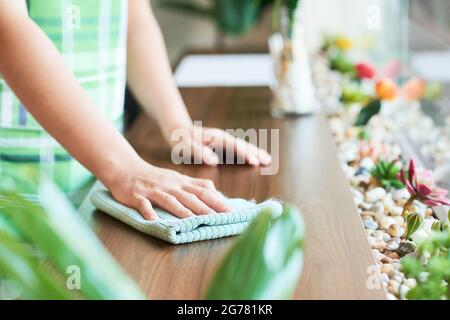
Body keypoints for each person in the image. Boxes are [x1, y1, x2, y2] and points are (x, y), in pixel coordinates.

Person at [0, 0, 271, 220]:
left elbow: (132, 16)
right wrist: (123, 168)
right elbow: (7, 29)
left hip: (99, 189)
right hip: (15, 197)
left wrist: (179, 127)